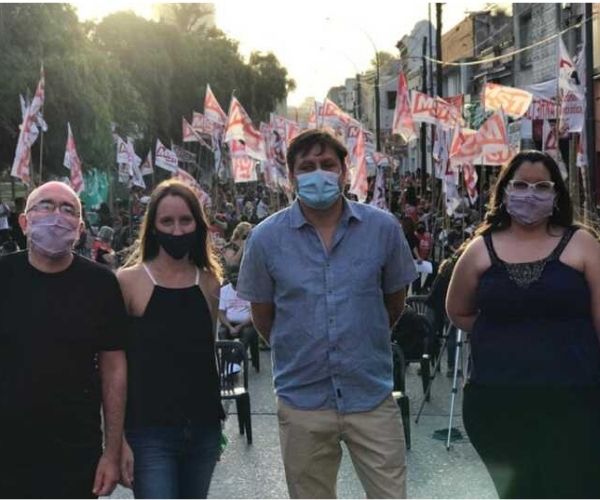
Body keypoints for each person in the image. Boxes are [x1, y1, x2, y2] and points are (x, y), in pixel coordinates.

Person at [237, 129, 417, 499]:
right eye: (307, 166)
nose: (318, 172)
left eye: (326, 164)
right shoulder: (265, 239)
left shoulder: (382, 229)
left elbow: (394, 303)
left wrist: (361, 341)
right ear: (291, 177)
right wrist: (304, 347)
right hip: (302, 400)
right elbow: (263, 316)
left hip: (371, 394)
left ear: (344, 171)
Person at [446, 151, 600, 498]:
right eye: (521, 185)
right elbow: (458, 311)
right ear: (504, 191)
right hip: (498, 402)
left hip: (575, 401)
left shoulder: (582, 244)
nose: (530, 194)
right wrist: (509, 335)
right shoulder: (480, 250)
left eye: (541, 186)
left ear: (556, 193)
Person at [0, 181, 127, 498]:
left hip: (76, 450)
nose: (56, 215)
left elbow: (113, 369)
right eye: (45, 205)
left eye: (68, 209)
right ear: (25, 222)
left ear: (80, 228)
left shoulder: (101, 284)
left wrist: (111, 453)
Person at [117, 180, 224, 499]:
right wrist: (116, 439)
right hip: (149, 432)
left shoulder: (209, 282)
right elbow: (114, 365)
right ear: (152, 227)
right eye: (167, 221)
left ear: (198, 225)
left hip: (203, 429)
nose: (177, 230)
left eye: (185, 220)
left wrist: (218, 427)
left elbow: (207, 354)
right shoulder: (128, 281)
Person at [218, 266, 259, 371]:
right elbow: (221, 313)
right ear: (228, 278)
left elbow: (253, 314)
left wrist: (240, 327)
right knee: (222, 332)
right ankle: (227, 363)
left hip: (247, 324)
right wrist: (230, 327)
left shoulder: (249, 289)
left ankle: (234, 363)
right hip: (229, 324)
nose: (235, 278)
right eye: (232, 276)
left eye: (237, 275)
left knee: (247, 334)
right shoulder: (223, 291)